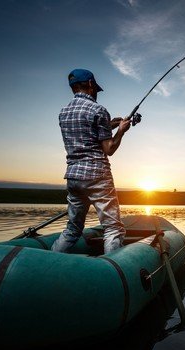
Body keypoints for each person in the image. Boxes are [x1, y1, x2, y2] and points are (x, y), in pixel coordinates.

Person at [52, 68, 131, 254]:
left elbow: (85, 134)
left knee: (72, 229)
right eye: (95, 87)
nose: (96, 92)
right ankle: (112, 272)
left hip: (73, 177)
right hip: (97, 176)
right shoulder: (98, 110)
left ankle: (48, 261)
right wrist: (121, 131)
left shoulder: (63, 113)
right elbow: (109, 149)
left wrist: (108, 125)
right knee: (113, 228)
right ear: (89, 84)